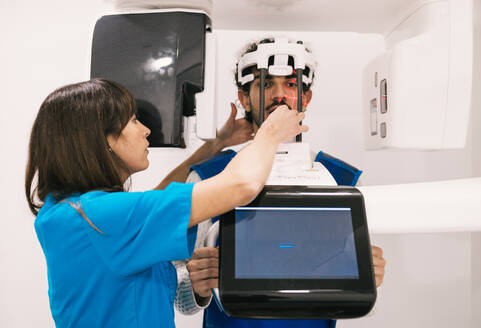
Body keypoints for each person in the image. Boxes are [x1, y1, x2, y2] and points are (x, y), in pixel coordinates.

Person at [25, 78, 307, 328]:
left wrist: (216, 144)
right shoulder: (105, 218)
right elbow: (242, 185)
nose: (146, 130)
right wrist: (270, 134)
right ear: (103, 140)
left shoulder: (75, 214)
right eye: (134, 120)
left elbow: (159, 199)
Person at [174, 37, 387, 328]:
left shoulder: (344, 181)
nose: (279, 95)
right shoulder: (207, 177)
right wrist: (197, 288)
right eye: (265, 84)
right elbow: (181, 299)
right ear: (245, 97)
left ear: (306, 97)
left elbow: (359, 300)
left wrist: (371, 280)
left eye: (290, 84)